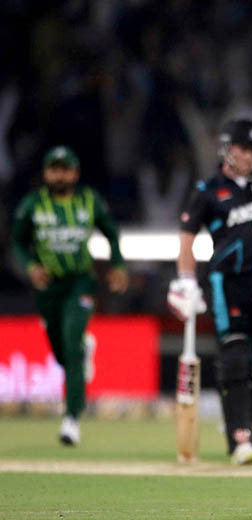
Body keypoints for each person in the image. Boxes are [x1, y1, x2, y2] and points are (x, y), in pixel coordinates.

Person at [167, 119, 252, 465]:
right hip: (227, 282)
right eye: (245, 149)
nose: (250, 156)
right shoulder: (208, 189)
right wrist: (185, 279)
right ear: (228, 149)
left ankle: (241, 417)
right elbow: (187, 238)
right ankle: (240, 437)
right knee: (235, 355)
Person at [11, 145, 129, 446]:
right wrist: (30, 266)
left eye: (65, 169)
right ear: (46, 173)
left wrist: (117, 264)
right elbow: (16, 242)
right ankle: (80, 352)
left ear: (75, 173)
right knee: (61, 348)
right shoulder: (33, 205)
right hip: (49, 286)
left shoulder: (89, 201)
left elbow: (111, 231)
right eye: (54, 169)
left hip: (80, 283)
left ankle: (72, 419)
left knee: (72, 343)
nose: (59, 174)